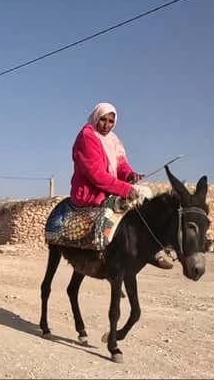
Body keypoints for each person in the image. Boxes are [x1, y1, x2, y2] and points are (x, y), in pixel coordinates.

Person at [71, 102, 172, 269]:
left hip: (109, 187)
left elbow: (120, 165)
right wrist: (124, 188)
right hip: (91, 191)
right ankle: (101, 253)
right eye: (103, 119)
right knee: (116, 209)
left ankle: (152, 247)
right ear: (96, 117)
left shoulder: (113, 139)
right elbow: (96, 175)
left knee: (145, 193)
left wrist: (130, 175)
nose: (106, 125)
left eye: (111, 121)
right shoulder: (87, 137)